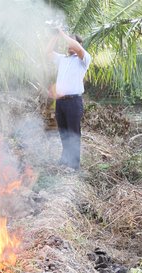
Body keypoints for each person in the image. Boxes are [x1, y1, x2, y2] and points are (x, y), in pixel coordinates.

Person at [47, 28, 92, 170]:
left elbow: (78, 49)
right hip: (60, 102)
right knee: (63, 132)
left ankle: (74, 165)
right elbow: (46, 53)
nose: (69, 46)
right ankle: (65, 159)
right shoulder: (62, 59)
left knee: (73, 132)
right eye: (68, 44)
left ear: (79, 45)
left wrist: (63, 34)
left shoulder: (84, 58)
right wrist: (55, 36)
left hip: (74, 102)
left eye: (73, 43)